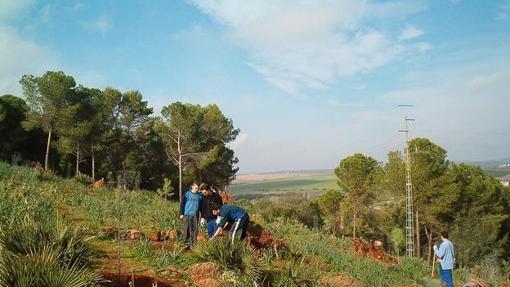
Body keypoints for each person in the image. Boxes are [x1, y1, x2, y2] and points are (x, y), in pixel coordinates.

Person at [179, 182, 202, 248]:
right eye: (196, 188)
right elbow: (182, 204)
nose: (197, 189)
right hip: (187, 214)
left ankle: (193, 243)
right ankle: (186, 243)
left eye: (198, 188)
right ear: (192, 187)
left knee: (194, 229)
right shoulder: (187, 194)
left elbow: (201, 207)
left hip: (195, 215)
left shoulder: (199, 196)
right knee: (186, 229)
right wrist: (181, 214)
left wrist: (202, 216)